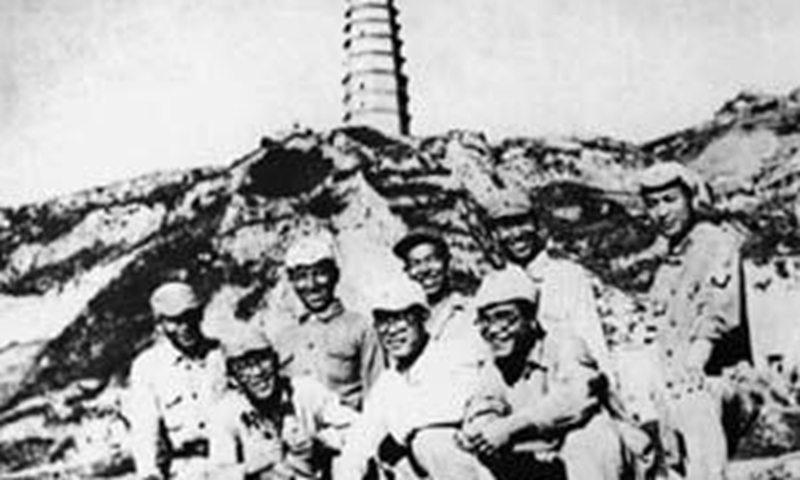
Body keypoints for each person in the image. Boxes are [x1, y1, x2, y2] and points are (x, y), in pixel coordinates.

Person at [457, 265, 627, 480]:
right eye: (485, 320)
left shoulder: (565, 344)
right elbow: (483, 403)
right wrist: (482, 429)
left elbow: (577, 398)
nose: (493, 329)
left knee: (590, 437)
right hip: (540, 452)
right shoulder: (496, 362)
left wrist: (510, 426)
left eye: (505, 317)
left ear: (531, 319)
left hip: (590, 451)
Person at [638, 161, 750, 480]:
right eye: (652, 203)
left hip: (721, 378)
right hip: (675, 384)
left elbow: (718, 312)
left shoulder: (715, 242)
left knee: (693, 406)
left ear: (691, 199)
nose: (661, 212)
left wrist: (695, 362)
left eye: (670, 200)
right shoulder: (666, 266)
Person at [336, 277, 493, 480]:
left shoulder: (455, 356)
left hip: (470, 467)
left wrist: (398, 430)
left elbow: (452, 409)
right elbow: (359, 443)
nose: (391, 331)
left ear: (423, 318)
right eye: (383, 321)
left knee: (429, 441)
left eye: (401, 319)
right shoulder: (388, 383)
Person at [485, 190, 612, 375]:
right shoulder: (492, 285)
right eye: (505, 227)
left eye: (522, 223)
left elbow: (592, 339)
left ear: (537, 226)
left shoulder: (568, 276)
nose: (516, 234)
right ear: (494, 235)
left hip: (566, 383)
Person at [128, 282, 238, 480]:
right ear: (160, 324)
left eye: (190, 317)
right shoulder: (147, 368)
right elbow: (145, 431)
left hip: (231, 463)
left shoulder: (222, 354)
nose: (185, 327)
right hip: (185, 470)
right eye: (175, 321)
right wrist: (149, 473)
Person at [218, 325, 360, 479]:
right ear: (233, 379)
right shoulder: (227, 412)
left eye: (262, 360)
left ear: (276, 360)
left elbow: (360, 428)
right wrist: (250, 467)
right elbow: (215, 474)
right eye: (244, 366)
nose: (257, 372)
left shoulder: (306, 391)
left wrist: (320, 441)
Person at [274, 233, 383, 411]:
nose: (311, 285)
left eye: (320, 274)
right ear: (292, 282)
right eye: (301, 276)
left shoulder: (361, 327)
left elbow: (377, 392)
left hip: (350, 429)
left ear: (335, 276)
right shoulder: (284, 337)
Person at [392, 227, 489, 359]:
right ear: (407, 272)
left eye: (431, 260)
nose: (425, 269)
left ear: (447, 262)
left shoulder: (470, 310)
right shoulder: (402, 320)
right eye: (415, 263)